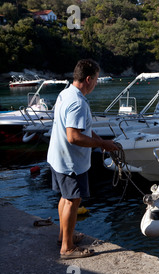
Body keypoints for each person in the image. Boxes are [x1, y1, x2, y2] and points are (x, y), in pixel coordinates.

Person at [47, 59, 119, 259]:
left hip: (57, 157)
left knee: (65, 196)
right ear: (88, 79)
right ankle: (67, 248)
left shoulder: (66, 94)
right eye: (96, 79)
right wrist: (102, 145)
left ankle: (63, 237)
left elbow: (82, 129)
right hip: (70, 162)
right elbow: (74, 136)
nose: (96, 83)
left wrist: (100, 139)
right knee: (72, 200)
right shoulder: (78, 102)